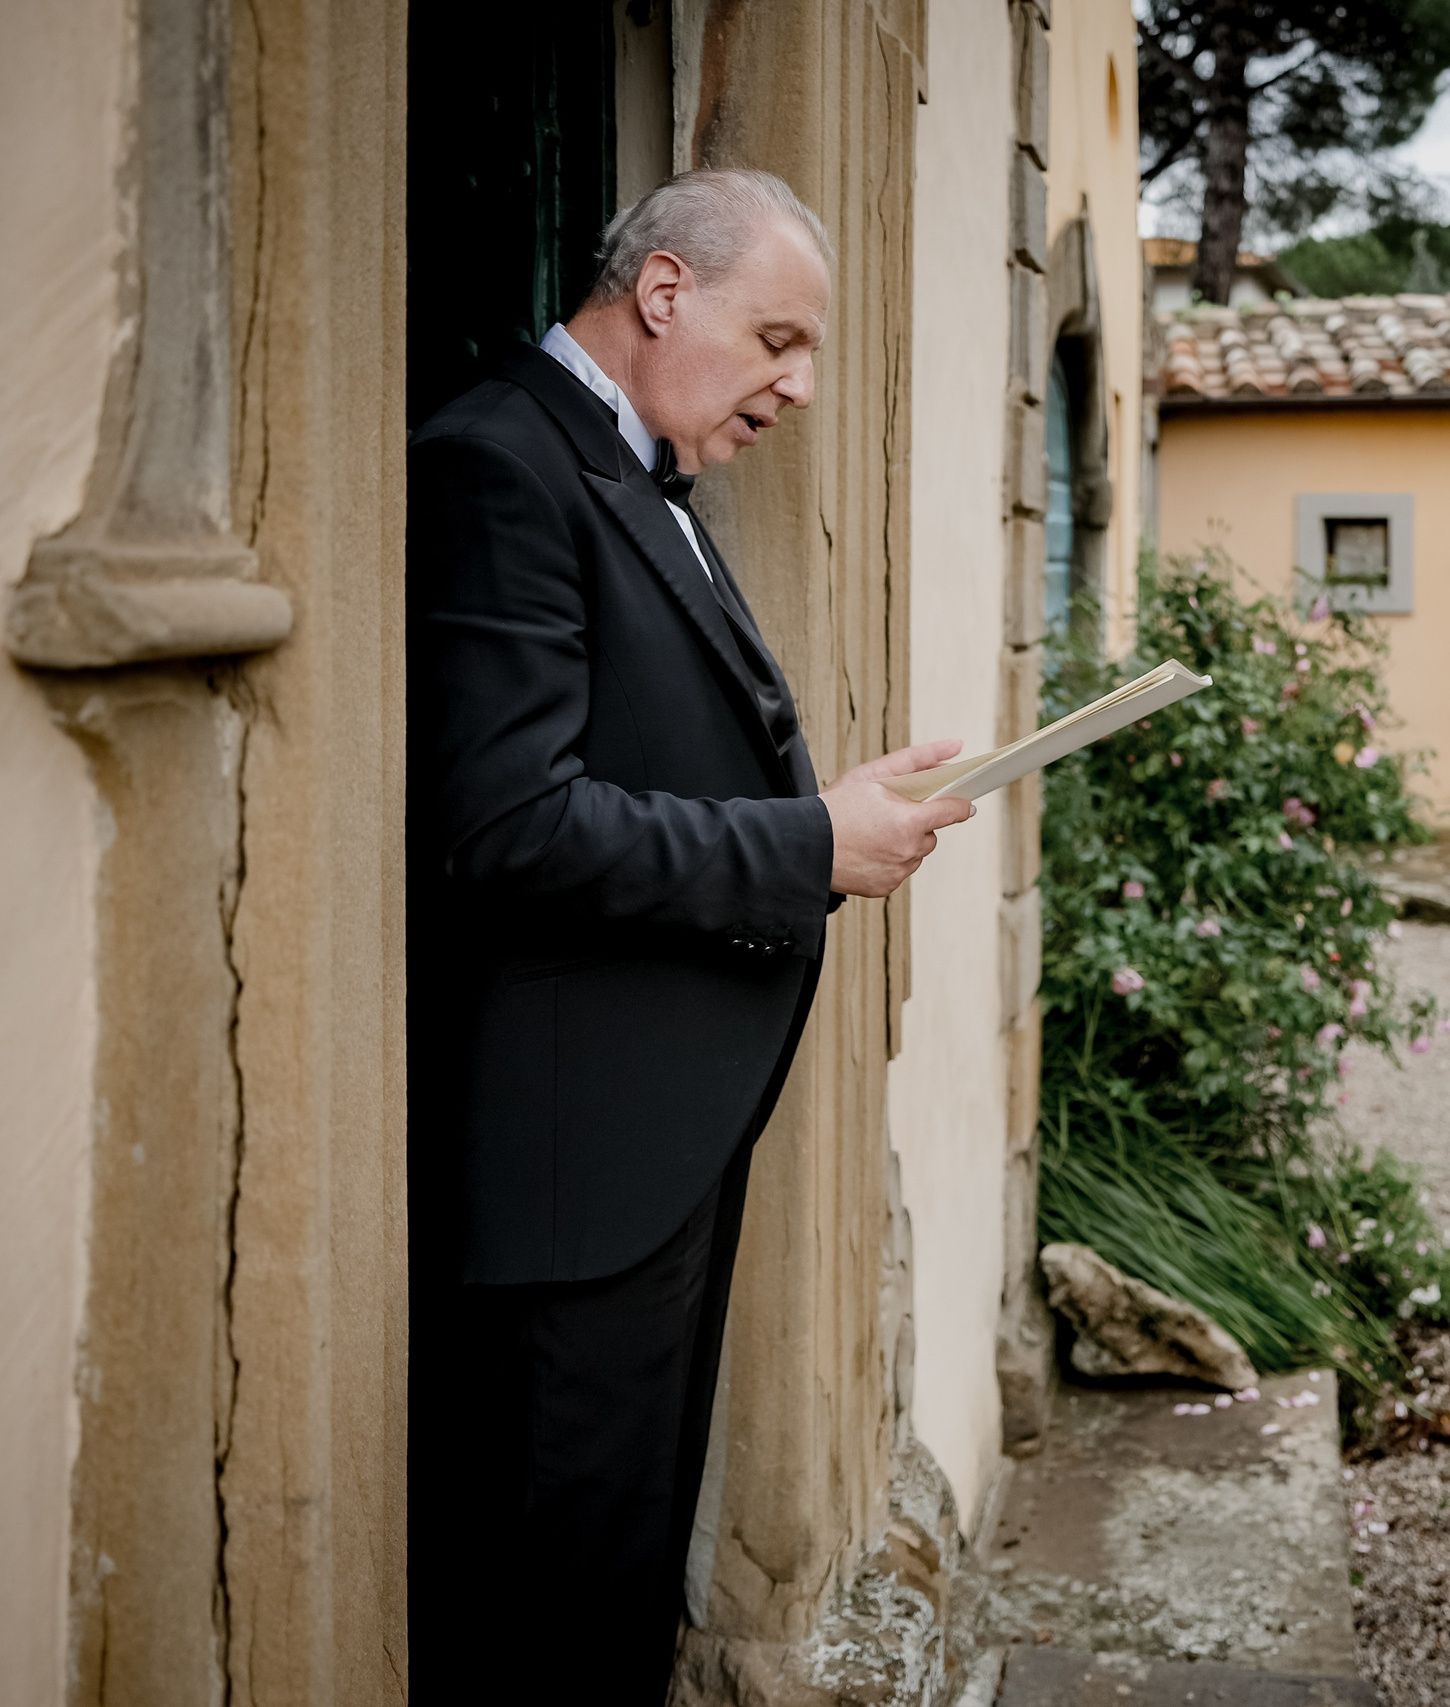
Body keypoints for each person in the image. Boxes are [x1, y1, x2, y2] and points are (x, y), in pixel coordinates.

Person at [406, 169, 972, 1704]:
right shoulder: (495, 462)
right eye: (777, 339)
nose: (799, 387)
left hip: (648, 1154)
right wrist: (809, 845)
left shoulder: (630, 461)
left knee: (617, 1584)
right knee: (548, 1612)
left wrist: (831, 808)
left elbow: (647, 760)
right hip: (566, 1175)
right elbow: (507, 822)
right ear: (662, 291)